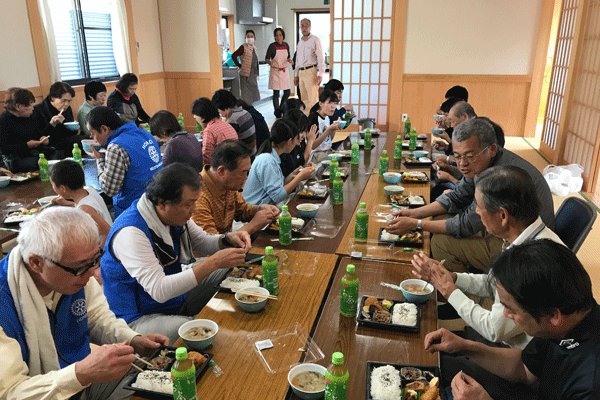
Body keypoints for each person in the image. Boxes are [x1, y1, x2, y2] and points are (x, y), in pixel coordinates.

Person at [412, 166, 564, 399]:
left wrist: (449, 291)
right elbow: (495, 284)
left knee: (428, 368)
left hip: (525, 368)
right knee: (435, 356)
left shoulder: (534, 260)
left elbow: (495, 329)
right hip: (522, 358)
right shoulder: (527, 239)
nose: (477, 214)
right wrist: (454, 278)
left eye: (479, 208)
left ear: (503, 215)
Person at [0, 207, 168, 400]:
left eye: (95, 259)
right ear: (36, 263)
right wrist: (80, 374)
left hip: (82, 380)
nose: (92, 274)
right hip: (58, 386)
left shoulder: (74, 273)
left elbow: (97, 317)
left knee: (158, 380)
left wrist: (133, 339)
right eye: (81, 267)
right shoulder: (5, 304)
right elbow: (9, 392)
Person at [425, 240, 600, 400]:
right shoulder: (567, 317)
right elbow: (524, 368)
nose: (506, 314)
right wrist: (464, 346)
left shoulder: (589, 384)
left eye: (512, 309)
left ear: (554, 316)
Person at [101, 163, 251, 343]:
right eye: (189, 204)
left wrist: (227, 239)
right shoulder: (131, 232)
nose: (194, 209)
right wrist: (213, 263)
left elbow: (202, 242)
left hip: (173, 300)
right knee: (199, 331)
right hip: (139, 317)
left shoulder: (172, 214)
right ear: (163, 203)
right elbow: (159, 290)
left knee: (232, 272)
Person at [386, 118, 554, 273]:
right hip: (506, 228)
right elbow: (457, 195)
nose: (462, 164)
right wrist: (414, 213)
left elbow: (465, 225)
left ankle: (457, 296)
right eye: (457, 157)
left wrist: (416, 224)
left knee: (440, 243)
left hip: (524, 250)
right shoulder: (482, 165)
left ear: (492, 149)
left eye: (469, 156)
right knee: (438, 219)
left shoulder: (499, 177)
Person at [86, 106, 163, 217]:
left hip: (135, 212)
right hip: (157, 203)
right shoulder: (144, 133)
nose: (92, 137)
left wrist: (99, 159)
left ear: (104, 129)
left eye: (92, 133)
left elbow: (109, 190)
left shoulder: (116, 147)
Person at [192, 140, 280, 235]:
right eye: (243, 172)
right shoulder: (197, 197)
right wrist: (253, 225)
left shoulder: (227, 185)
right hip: (220, 248)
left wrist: (260, 209)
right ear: (221, 171)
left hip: (229, 246)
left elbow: (242, 210)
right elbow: (211, 243)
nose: (246, 178)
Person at [243, 119, 316, 206]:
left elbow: (277, 187)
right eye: (297, 139)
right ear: (289, 141)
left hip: (266, 207)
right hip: (255, 210)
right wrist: (300, 176)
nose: (297, 143)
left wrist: (293, 175)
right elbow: (277, 196)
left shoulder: (272, 156)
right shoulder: (267, 160)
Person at [49, 160, 112, 246]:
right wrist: (68, 203)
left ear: (63, 188)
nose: (53, 187)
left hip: (103, 246)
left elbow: (108, 232)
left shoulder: (85, 209)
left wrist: (98, 257)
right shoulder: (89, 189)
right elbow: (90, 206)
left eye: (52, 185)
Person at [0, 88, 54, 172]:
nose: (33, 108)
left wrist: (43, 139)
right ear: (18, 106)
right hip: (15, 157)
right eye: (30, 105)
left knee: (56, 153)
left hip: (33, 152)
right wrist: (26, 145)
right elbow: (4, 149)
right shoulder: (3, 120)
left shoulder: (30, 116)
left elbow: (37, 135)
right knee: (37, 162)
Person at [34, 81, 82, 155]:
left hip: (65, 140)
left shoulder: (67, 108)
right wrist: (52, 124)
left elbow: (69, 133)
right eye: (63, 101)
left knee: (85, 139)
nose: (66, 104)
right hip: (49, 145)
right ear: (53, 98)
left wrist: (75, 128)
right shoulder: (38, 110)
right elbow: (39, 137)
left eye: (69, 101)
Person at [192, 97, 238, 166]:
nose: (195, 119)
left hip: (221, 169)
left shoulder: (210, 130)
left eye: (196, 117)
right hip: (233, 165)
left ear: (202, 117)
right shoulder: (227, 125)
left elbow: (206, 159)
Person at [294, 18, 325, 114]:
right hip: (301, 72)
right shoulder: (300, 42)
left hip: (311, 70)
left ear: (310, 27)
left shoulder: (315, 40)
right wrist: (296, 75)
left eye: (306, 25)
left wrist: (321, 74)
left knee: (312, 100)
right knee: (303, 100)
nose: (304, 28)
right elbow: (297, 61)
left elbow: (320, 57)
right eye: (302, 26)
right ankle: (307, 122)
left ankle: (315, 121)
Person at [212, 89, 257, 154]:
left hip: (243, 157)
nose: (219, 113)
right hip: (252, 153)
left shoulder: (233, 121)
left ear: (226, 108)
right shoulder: (245, 112)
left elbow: (226, 144)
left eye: (219, 110)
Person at [280, 108, 317, 178]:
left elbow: (301, 164)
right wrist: (310, 141)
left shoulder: (298, 142)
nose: (304, 135)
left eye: (305, 131)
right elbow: (284, 184)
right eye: (302, 131)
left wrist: (307, 167)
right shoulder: (284, 149)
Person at [265, 27, 293, 116]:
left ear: (283, 36)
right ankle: (277, 112)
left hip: (284, 71)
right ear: (275, 37)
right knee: (276, 93)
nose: (278, 37)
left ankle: (280, 108)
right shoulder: (272, 46)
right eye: (276, 35)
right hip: (275, 71)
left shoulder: (286, 45)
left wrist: (289, 60)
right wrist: (270, 63)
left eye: (280, 35)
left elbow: (288, 56)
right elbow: (266, 58)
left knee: (287, 92)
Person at [308, 90, 341, 163]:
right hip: (316, 155)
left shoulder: (327, 118)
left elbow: (329, 140)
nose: (333, 106)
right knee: (339, 160)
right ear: (321, 104)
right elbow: (313, 145)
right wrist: (328, 130)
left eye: (335, 103)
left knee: (344, 156)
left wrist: (334, 129)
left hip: (326, 152)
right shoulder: (313, 118)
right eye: (329, 103)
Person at [231, 30, 261, 105]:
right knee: (246, 95)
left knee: (253, 94)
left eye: (251, 36)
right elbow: (233, 55)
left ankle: (251, 108)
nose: (250, 38)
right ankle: (247, 110)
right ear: (245, 38)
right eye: (248, 36)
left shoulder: (254, 48)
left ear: (254, 38)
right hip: (245, 75)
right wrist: (239, 65)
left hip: (253, 75)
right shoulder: (243, 47)